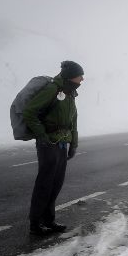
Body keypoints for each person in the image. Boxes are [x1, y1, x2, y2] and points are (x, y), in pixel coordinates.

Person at [22, 61, 84, 236]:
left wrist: (74, 144)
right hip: (48, 144)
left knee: (56, 183)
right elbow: (29, 112)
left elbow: (73, 121)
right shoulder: (52, 90)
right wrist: (42, 136)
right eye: (80, 76)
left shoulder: (70, 93)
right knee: (44, 184)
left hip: (62, 144)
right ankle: (35, 223)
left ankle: (49, 220)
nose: (82, 79)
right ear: (71, 76)